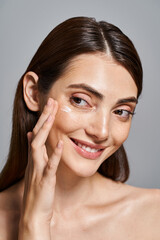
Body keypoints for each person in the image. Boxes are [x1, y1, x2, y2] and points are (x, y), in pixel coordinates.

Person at [0, 16, 159, 240]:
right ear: (34, 93)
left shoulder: (155, 214)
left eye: (121, 111)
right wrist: (33, 223)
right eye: (80, 100)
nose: (102, 132)